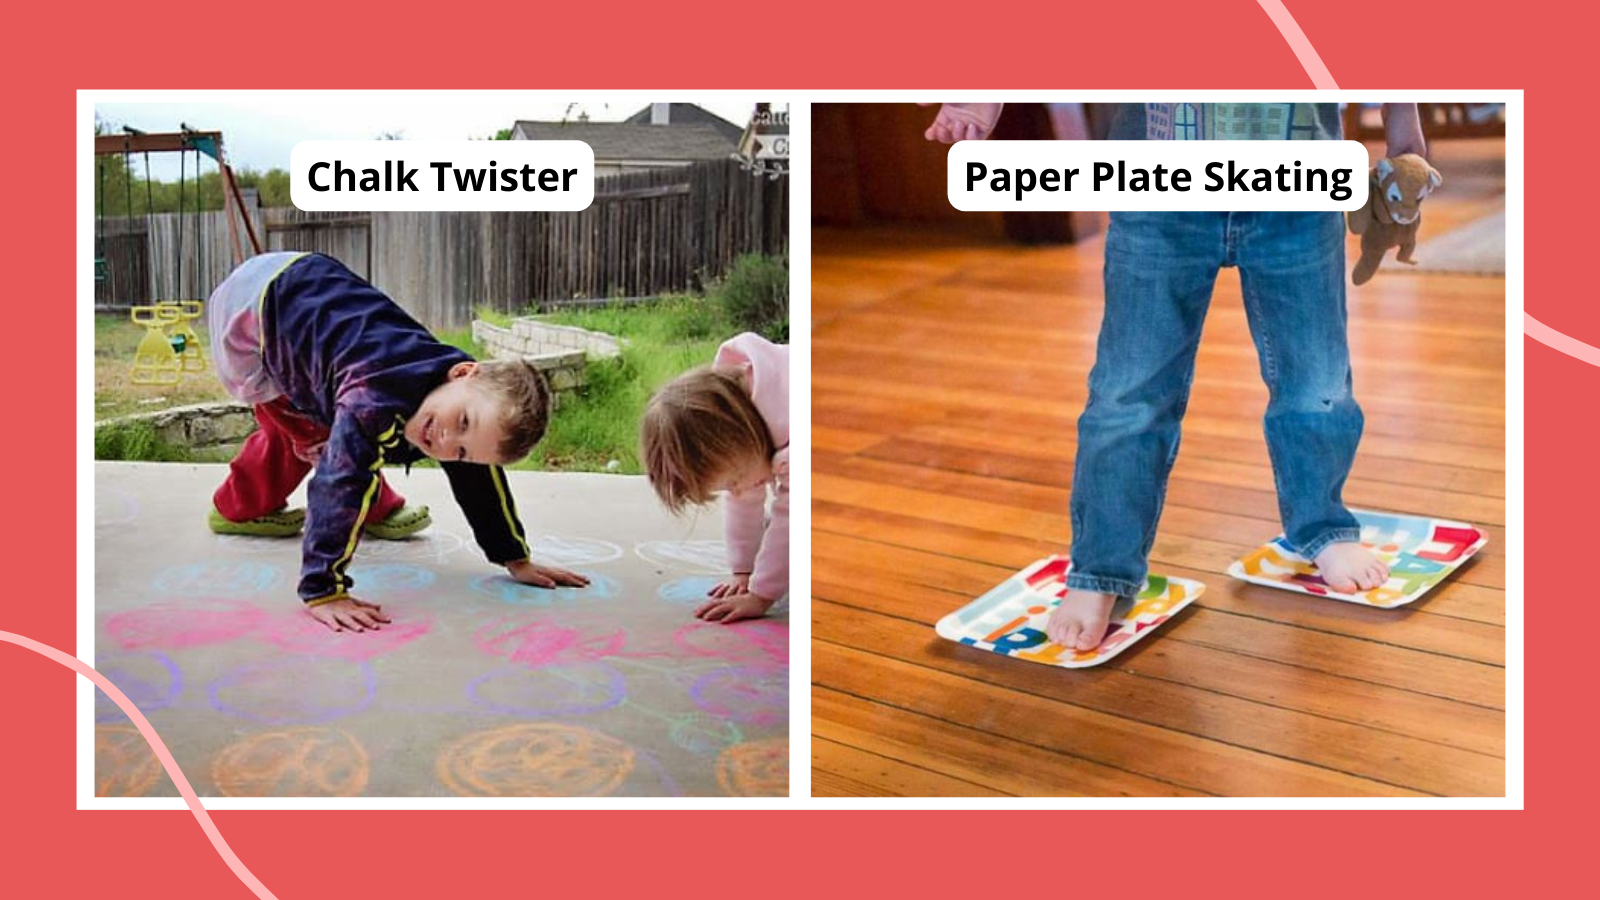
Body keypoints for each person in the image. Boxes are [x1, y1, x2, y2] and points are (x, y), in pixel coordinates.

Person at [924, 102, 1428, 650]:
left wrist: (1405, 128)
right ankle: (1101, 568)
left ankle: (1322, 524)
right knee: (1129, 393)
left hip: (1299, 194)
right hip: (1158, 196)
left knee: (1318, 382)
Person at [205, 251, 587, 632]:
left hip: (310, 281)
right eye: (463, 423)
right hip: (252, 311)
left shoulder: (463, 400)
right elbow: (338, 483)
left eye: (462, 451)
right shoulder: (370, 397)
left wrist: (514, 558)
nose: (445, 440)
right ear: (461, 372)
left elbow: (481, 480)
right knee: (313, 437)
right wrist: (325, 590)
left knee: (352, 444)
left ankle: (370, 505)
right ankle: (238, 506)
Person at [641, 333, 789, 624]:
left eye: (734, 479)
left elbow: (792, 523)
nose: (738, 489)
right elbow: (743, 501)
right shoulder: (743, 416)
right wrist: (744, 571)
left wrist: (762, 595)